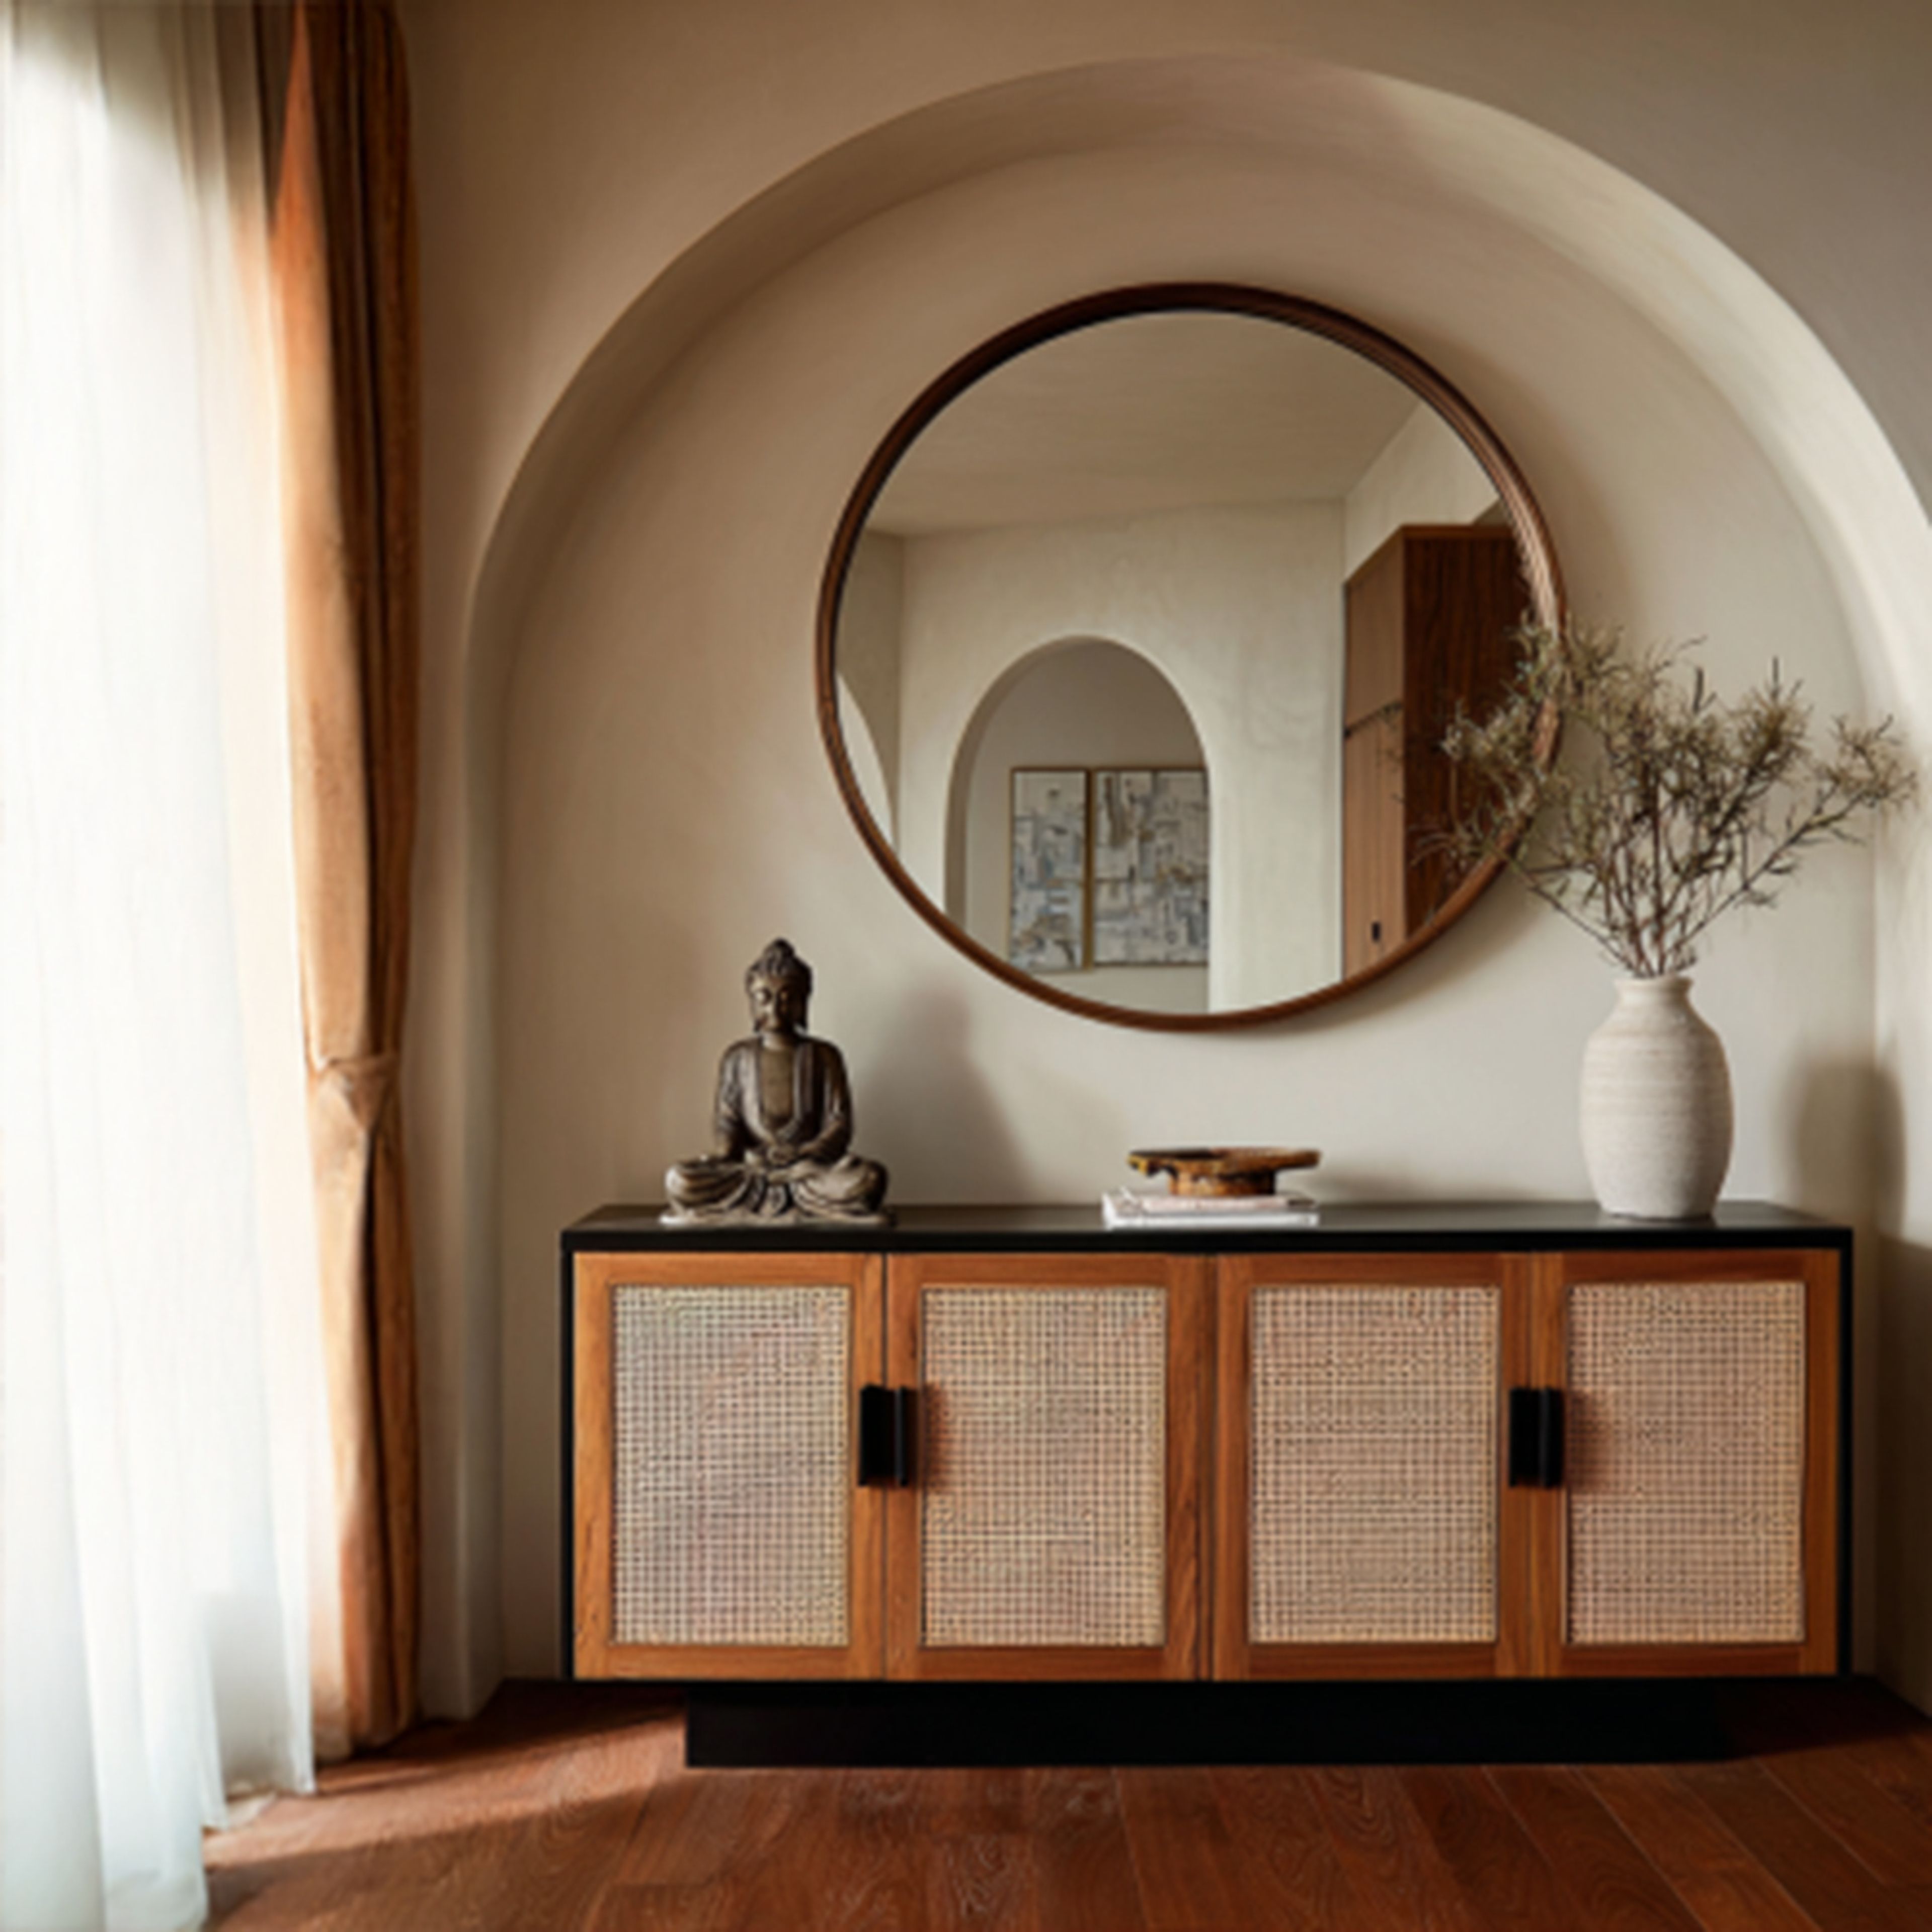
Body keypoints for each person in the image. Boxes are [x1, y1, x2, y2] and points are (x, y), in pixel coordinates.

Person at [665, 939, 889, 1223]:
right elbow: (727, 1122)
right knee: (680, 1180)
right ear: (751, 1002)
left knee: (869, 1179)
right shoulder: (737, 1057)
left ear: (803, 1001)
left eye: (787, 997)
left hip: (806, 1173)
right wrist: (734, 1154)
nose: (776, 1008)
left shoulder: (825, 1056)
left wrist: (803, 1153)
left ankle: (796, 1196)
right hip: (751, 1173)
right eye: (764, 998)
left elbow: (839, 1124)